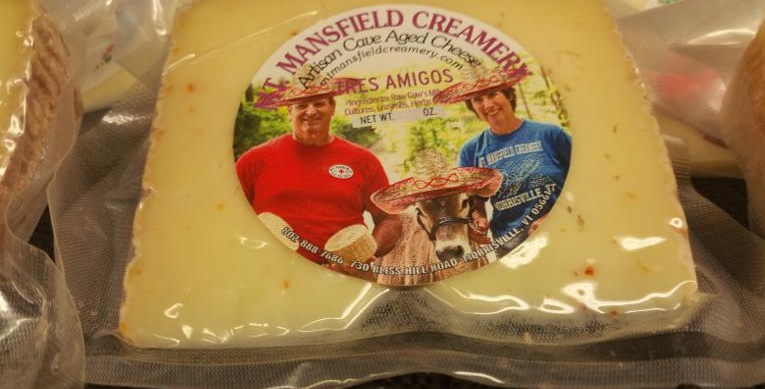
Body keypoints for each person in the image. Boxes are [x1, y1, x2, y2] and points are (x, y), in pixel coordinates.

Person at [236, 78, 401, 265]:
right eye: (301, 105)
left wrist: (366, 255)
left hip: (342, 277)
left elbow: (390, 220)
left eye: (319, 103)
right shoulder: (254, 160)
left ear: (332, 107)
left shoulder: (363, 160)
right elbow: (227, 215)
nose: (311, 111)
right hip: (272, 273)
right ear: (289, 111)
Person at [434, 66, 572, 256]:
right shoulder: (471, 150)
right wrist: (478, 219)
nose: (487, 104)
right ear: (473, 107)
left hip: (564, 235)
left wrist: (552, 218)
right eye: (477, 100)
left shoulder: (550, 134)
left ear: (509, 95)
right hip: (511, 249)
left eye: (492, 94)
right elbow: (473, 200)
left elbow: (584, 180)